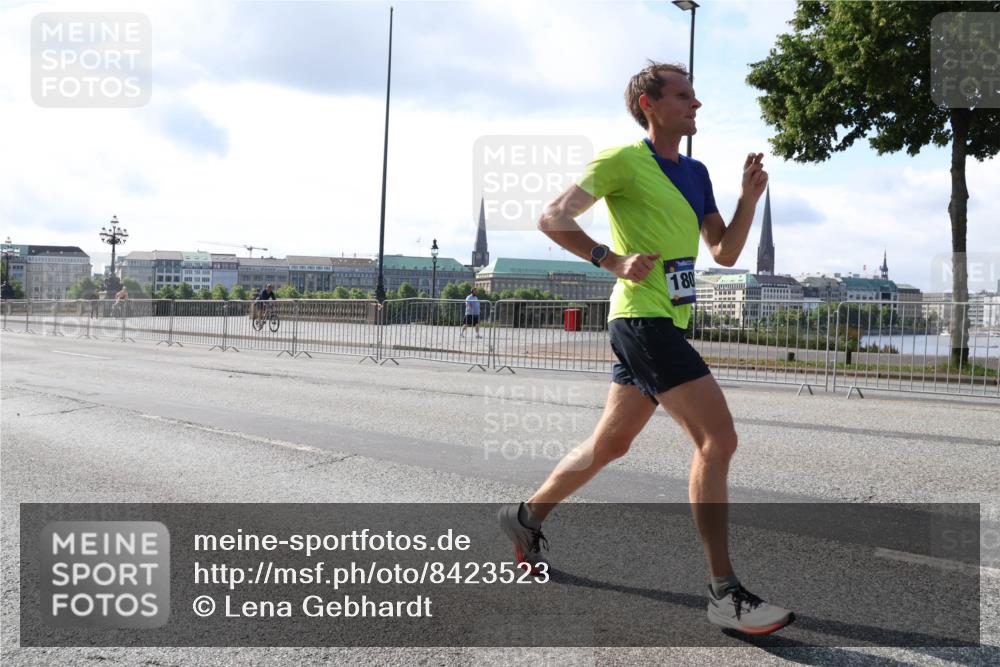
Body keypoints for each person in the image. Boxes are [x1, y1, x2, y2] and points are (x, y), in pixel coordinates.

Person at [497, 61, 793, 636]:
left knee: (610, 444)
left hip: (666, 323)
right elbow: (552, 217)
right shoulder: (623, 161)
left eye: (696, 95)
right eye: (684, 95)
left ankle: (525, 515)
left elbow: (725, 252)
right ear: (648, 104)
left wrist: (748, 200)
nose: (697, 104)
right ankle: (723, 591)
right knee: (718, 439)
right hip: (643, 321)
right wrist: (609, 260)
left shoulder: (698, 171)